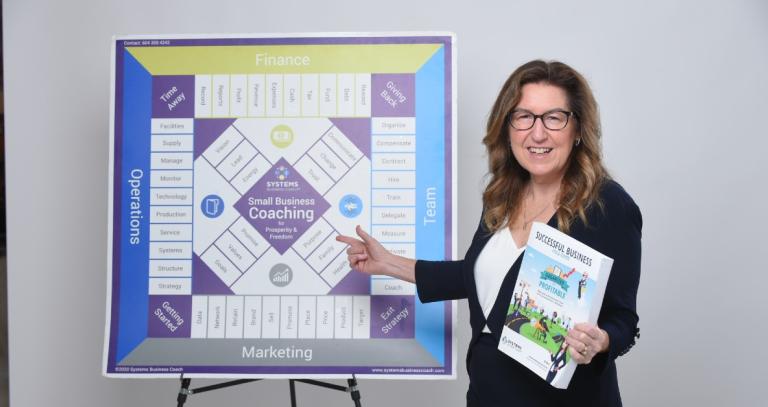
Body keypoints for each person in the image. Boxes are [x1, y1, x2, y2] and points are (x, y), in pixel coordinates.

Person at [337, 60, 642, 406]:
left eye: (554, 118)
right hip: (487, 393)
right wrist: (388, 263)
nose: (537, 133)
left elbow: (623, 319)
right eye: (523, 116)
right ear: (507, 127)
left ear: (577, 130)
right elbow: (479, 277)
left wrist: (599, 341)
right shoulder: (501, 196)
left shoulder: (607, 205)